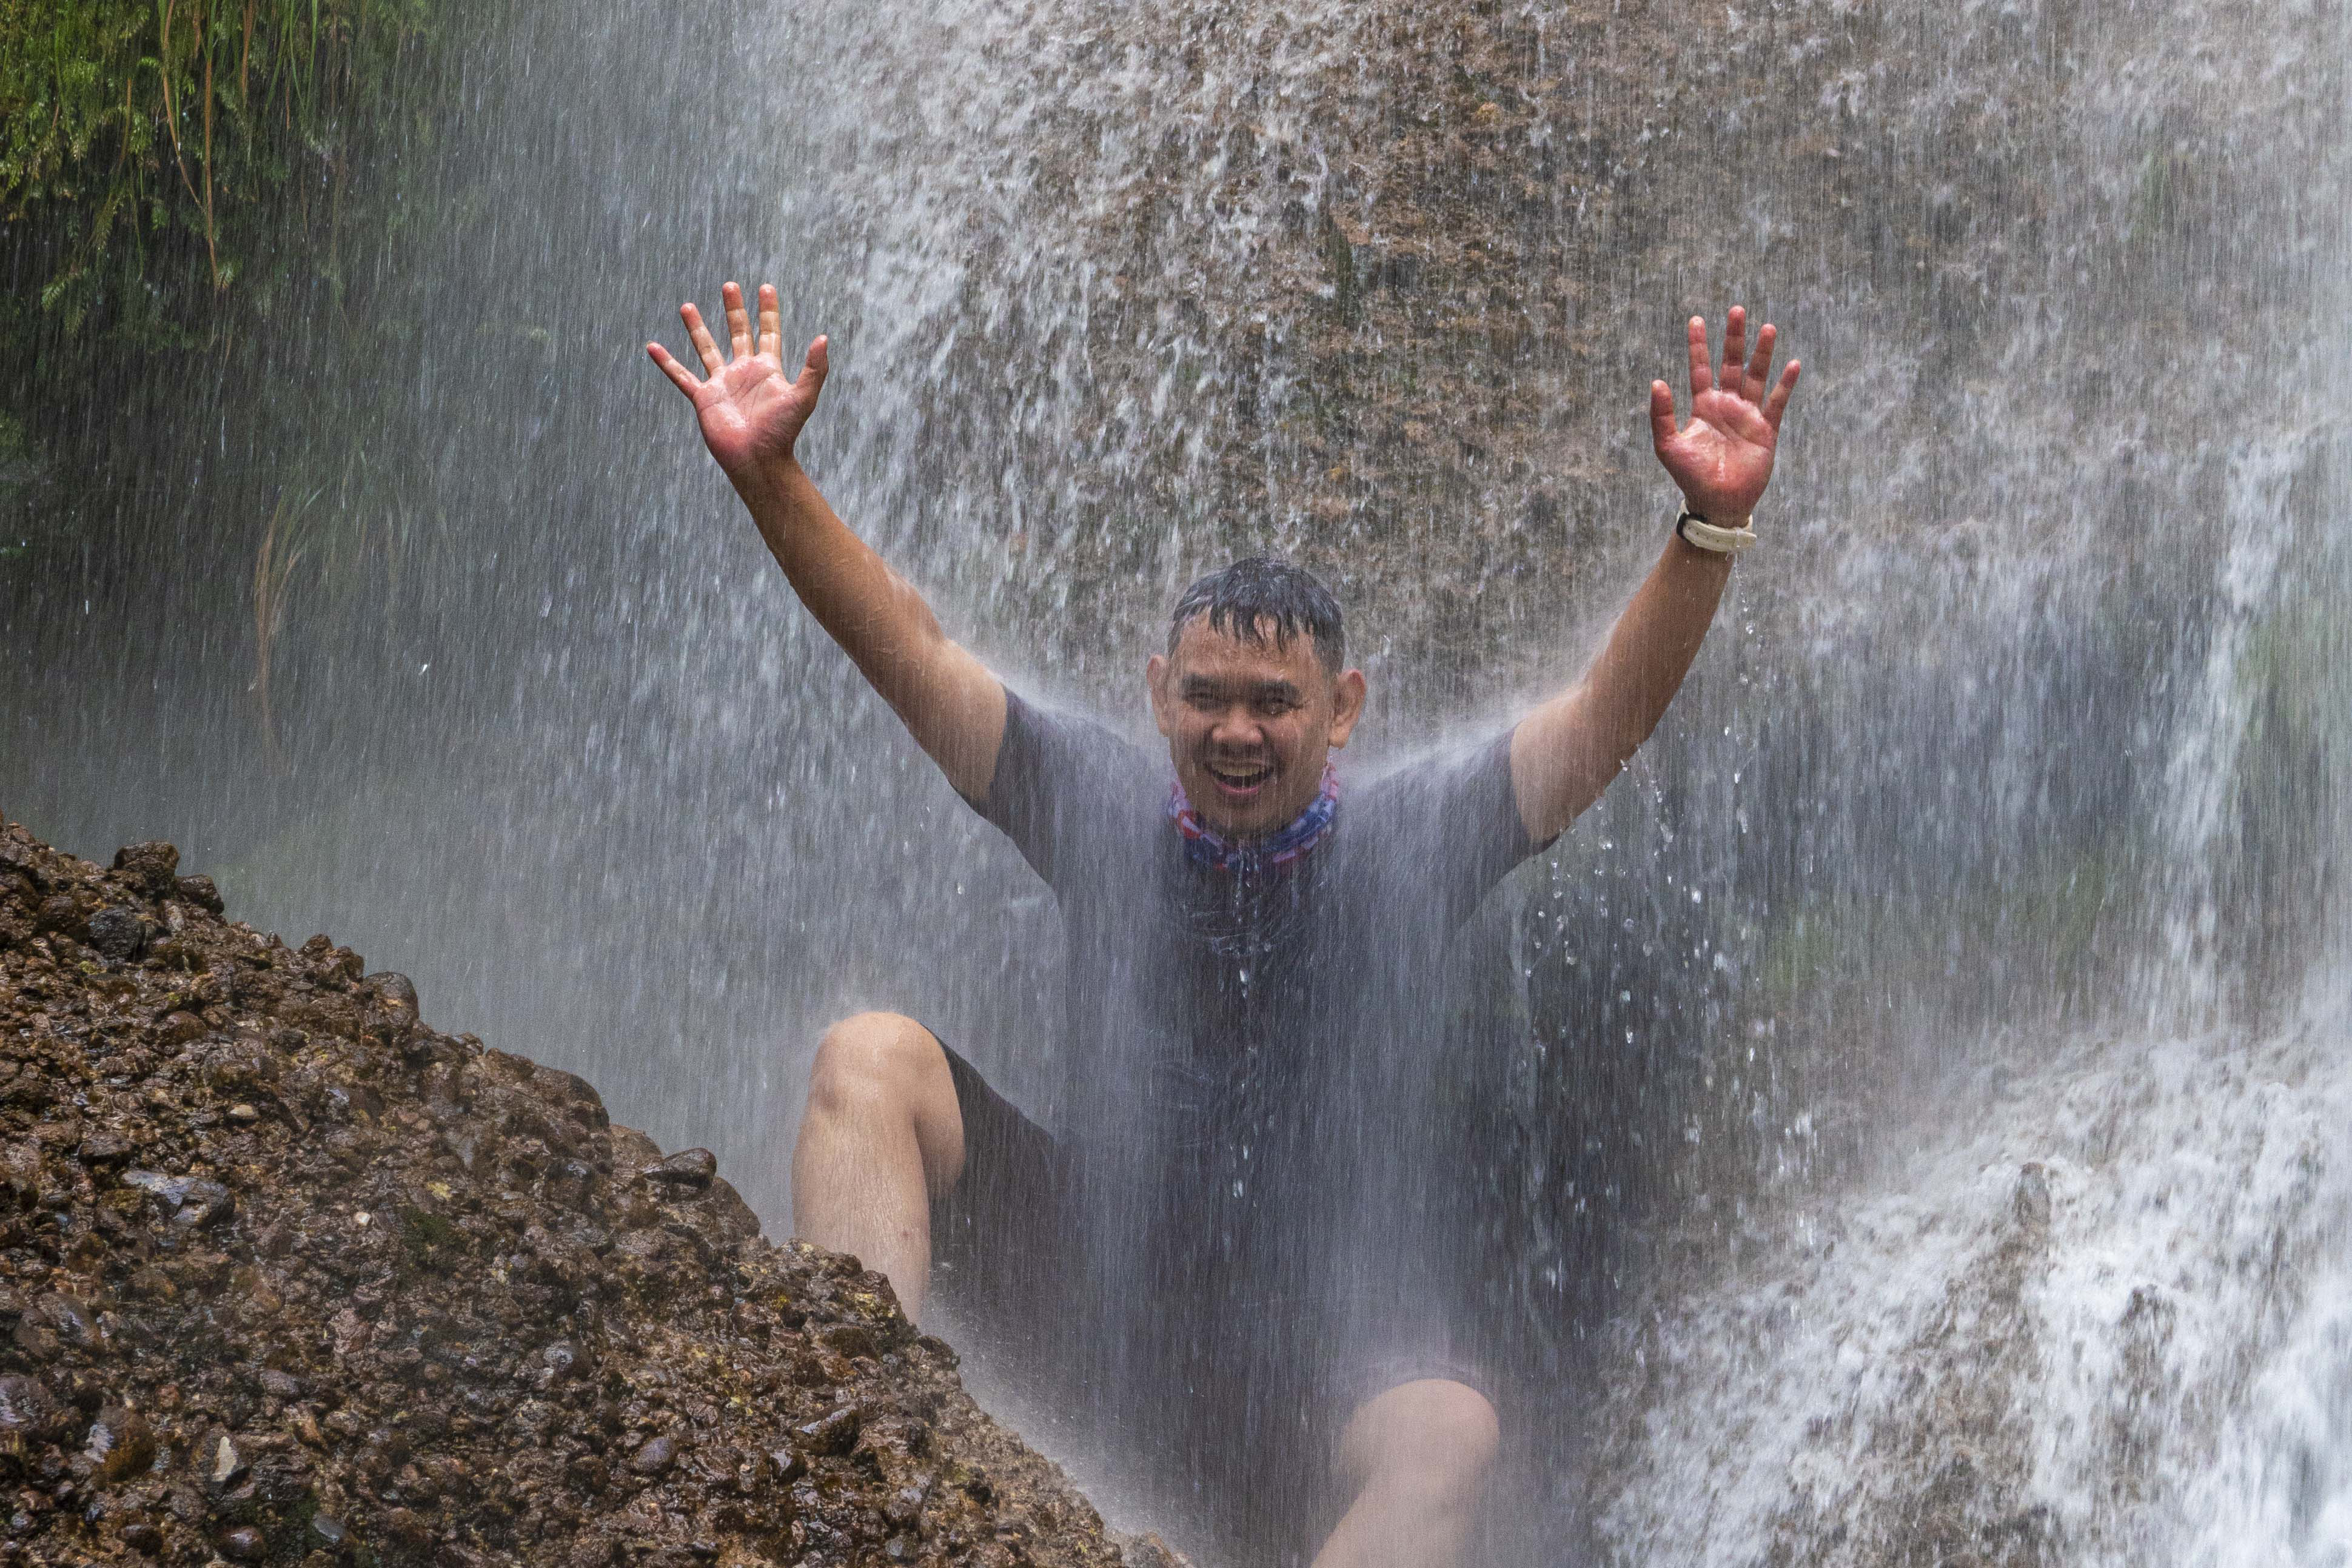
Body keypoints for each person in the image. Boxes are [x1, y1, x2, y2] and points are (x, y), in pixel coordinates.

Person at [648, 283, 1798, 1567]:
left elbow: (1600, 720)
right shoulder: (1090, 799)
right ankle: (865, 1463)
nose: (1235, 731)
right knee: (867, 1058)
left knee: (1448, 1429)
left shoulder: (1415, 838)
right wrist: (770, 480)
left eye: (1273, 702)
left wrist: (1705, 529)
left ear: (1342, 708)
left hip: (1312, 1364)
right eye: (1205, 697)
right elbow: (910, 652)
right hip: (1096, 1297)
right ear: (1156, 695)